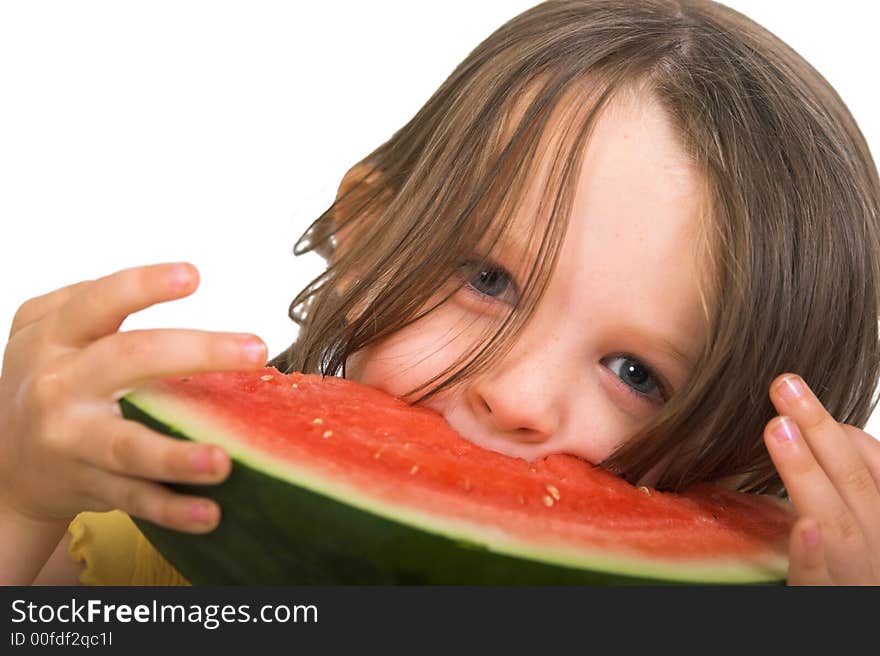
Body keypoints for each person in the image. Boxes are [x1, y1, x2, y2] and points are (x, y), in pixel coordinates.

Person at [1, 0, 879, 586]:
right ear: (366, 234)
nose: (517, 397)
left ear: (749, 469)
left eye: (637, 373)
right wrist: (19, 501)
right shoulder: (153, 557)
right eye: (489, 280)